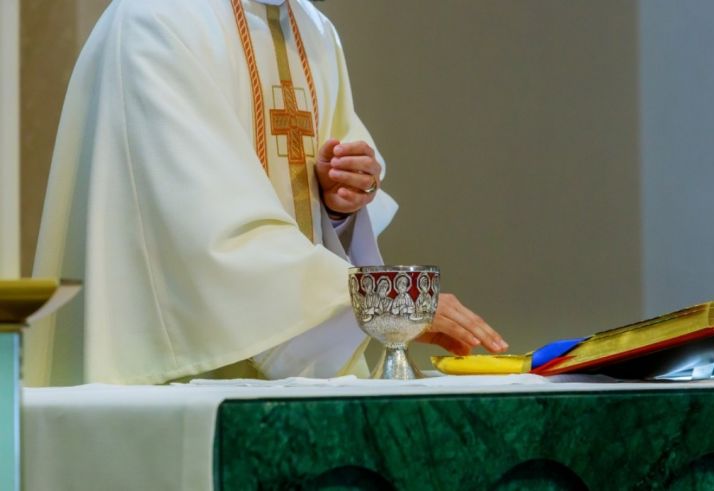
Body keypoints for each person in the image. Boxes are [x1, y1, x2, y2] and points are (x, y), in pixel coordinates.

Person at [23, 0, 507, 386]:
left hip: (294, 379)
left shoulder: (311, 28)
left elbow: (316, 208)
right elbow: (208, 235)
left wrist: (338, 202)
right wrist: (382, 306)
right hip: (180, 379)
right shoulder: (156, 20)